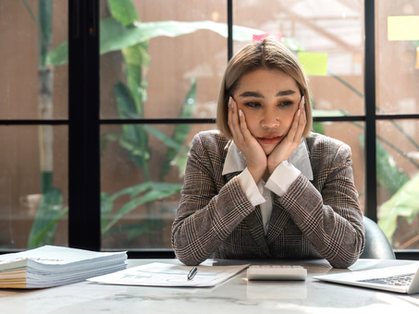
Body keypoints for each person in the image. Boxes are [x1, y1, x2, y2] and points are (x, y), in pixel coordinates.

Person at [171, 37, 365, 268]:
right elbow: (186, 249)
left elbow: (348, 252)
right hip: (230, 299)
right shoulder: (208, 149)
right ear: (229, 105)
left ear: (303, 105)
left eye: (285, 103)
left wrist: (283, 174)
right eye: (253, 104)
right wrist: (252, 172)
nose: (271, 122)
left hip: (309, 298)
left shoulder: (331, 155)